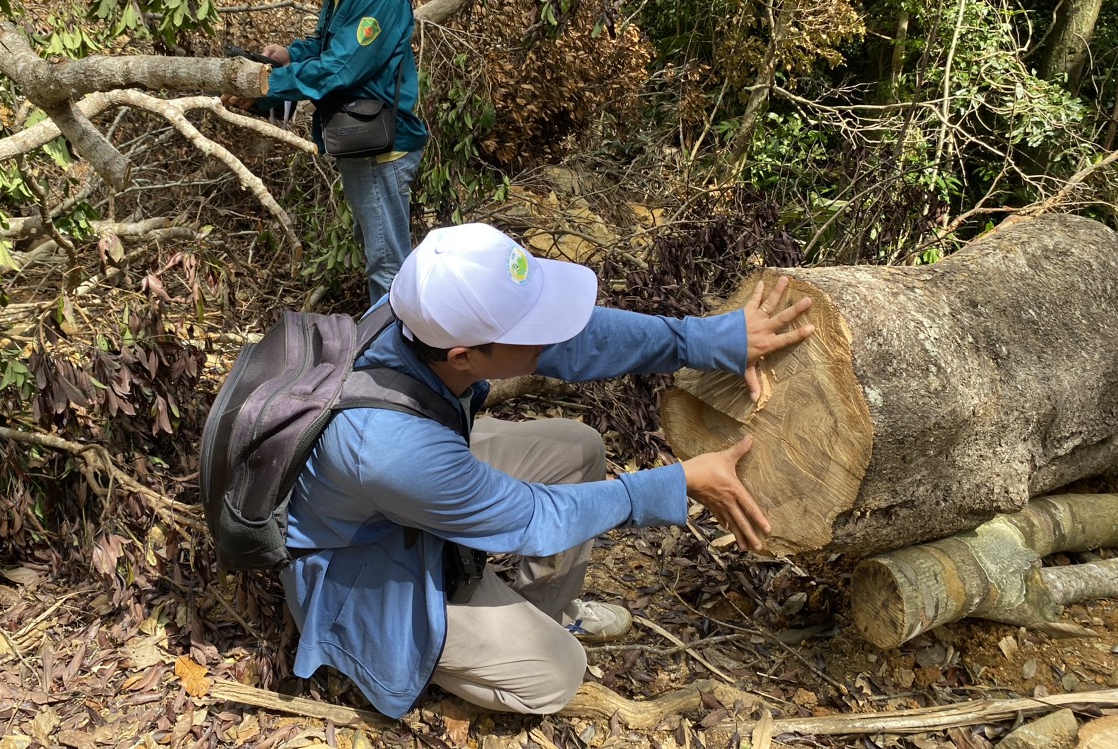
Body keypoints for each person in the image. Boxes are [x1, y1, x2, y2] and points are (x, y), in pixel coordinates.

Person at [281, 223, 815, 717]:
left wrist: (706, 340)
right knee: (555, 674)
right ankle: (379, 649)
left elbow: (582, 337)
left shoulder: (420, 311)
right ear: (465, 357)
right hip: (363, 564)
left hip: (404, 478)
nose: (552, 338)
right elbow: (534, 519)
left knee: (575, 449)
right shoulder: (392, 449)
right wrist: (677, 483)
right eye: (533, 331)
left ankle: (543, 608)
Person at [226, 0, 427, 302]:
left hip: (381, 150)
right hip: (362, 139)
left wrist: (267, 85)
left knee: (388, 268)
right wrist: (288, 56)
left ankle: (393, 363)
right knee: (383, 259)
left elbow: (339, 69)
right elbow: (325, 45)